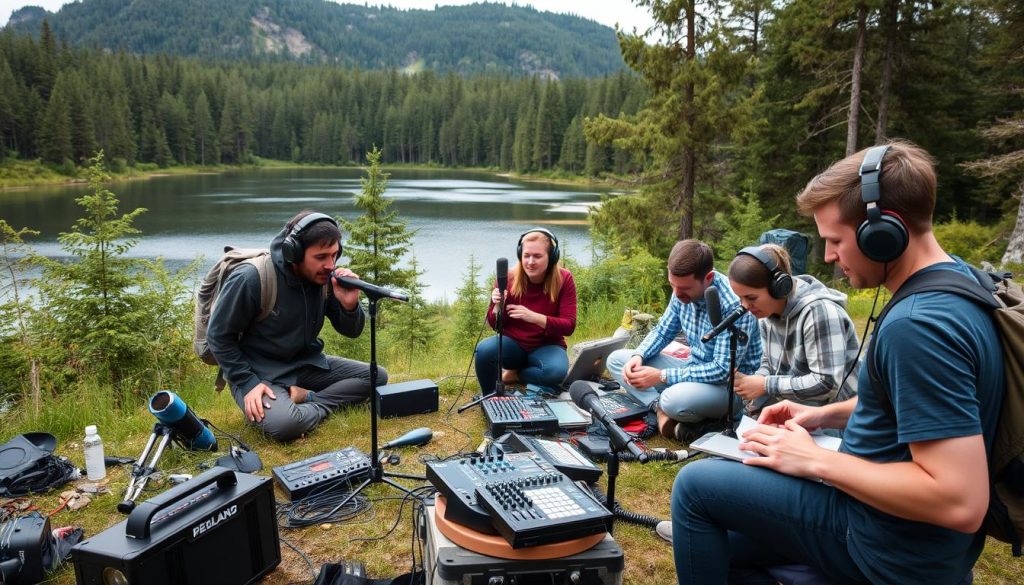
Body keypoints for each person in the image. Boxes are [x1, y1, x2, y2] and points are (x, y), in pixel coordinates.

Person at [670, 141, 1004, 584]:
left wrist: (813, 461)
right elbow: (903, 402)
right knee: (722, 541)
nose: (828, 256)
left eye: (835, 240)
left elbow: (960, 501)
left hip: (883, 543)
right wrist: (823, 414)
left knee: (695, 488)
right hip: (908, 536)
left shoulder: (917, 326)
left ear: (884, 232)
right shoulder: (961, 281)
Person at [207, 210, 386, 442]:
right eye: (321, 257)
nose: (329, 265)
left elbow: (351, 332)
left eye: (334, 255)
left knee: (376, 376)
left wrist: (350, 305)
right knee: (286, 425)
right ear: (294, 252)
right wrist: (246, 382)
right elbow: (218, 336)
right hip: (259, 374)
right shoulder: (251, 278)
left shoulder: (323, 279)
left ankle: (308, 399)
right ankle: (298, 405)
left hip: (304, 364)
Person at [605, 239, 762, 441]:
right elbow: (663, 331)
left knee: (673, 399)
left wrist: (661, 376)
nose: (677, 294)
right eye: (673, 285)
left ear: (708, 278)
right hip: (693, 367)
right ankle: (659, 410)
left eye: (685, 289)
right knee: (618, 360)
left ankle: (704, 418)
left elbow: (722, 370)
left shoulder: (734, 304)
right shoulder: (680, 292)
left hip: (730, 387)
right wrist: (639, 354)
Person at [728, 244, 859, 416]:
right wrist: (752, 382)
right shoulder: (767, 313)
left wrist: (765, 385)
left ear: (778, 288)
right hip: (797, 409)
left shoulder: (819, 312)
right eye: (740, 298)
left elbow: (827, 384)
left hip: (836, 416)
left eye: (751, 297)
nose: (744, 306)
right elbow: (769, 361)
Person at [475, 228, 577, 392]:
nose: (530, 261)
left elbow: (569, 326)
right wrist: (497, 305)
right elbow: (495, 325)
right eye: (526, 255)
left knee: (555, 372)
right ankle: (490, 397)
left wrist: (534, 317)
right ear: (519, 255)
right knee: (484, 351)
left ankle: (515, 375)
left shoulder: (564, 279)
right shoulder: (507, 278)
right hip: (513, 346)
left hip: (548, 345)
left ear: (552, 257)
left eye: (537, 256)